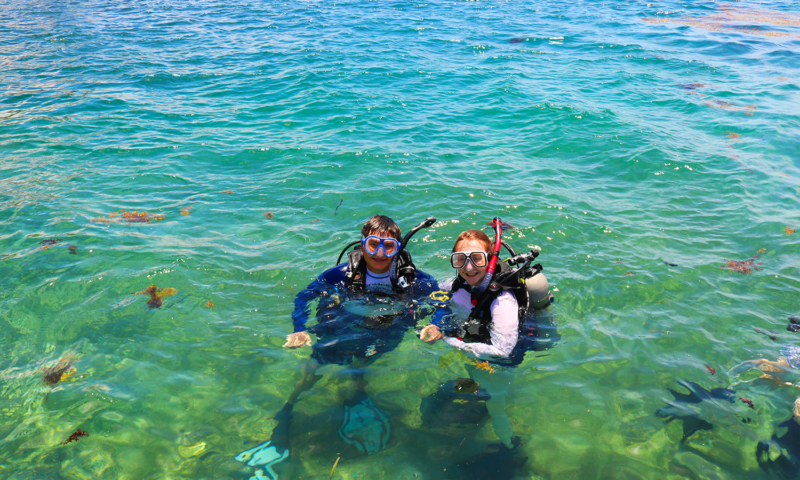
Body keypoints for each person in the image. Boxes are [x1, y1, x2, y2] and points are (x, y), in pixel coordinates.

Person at [236, 215, 437, 476]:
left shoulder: (414, 279)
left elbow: (438, 299)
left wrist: (435, 324)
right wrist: (299, 328)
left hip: (385, 330)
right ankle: (286, 413)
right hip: (340, 326)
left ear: (399, 249)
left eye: (388, 247)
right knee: (311, 370)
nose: (379, 253)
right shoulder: (338, 275)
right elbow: (303, 297)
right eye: (373, 244)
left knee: (364, 361)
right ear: (362, 244)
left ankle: (357, 393)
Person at [419, 229, 523, 448]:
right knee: (472, 384)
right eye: (460, 260)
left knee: (496, 404)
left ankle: (510, 447)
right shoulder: (458, 283)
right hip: (472, 340)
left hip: (499, 361)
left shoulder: (502, 299)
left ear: (490, 259)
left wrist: (448, 340)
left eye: (476, 259)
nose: (468, 267)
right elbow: (440, 297)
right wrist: (436, 323)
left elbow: (503, 350)